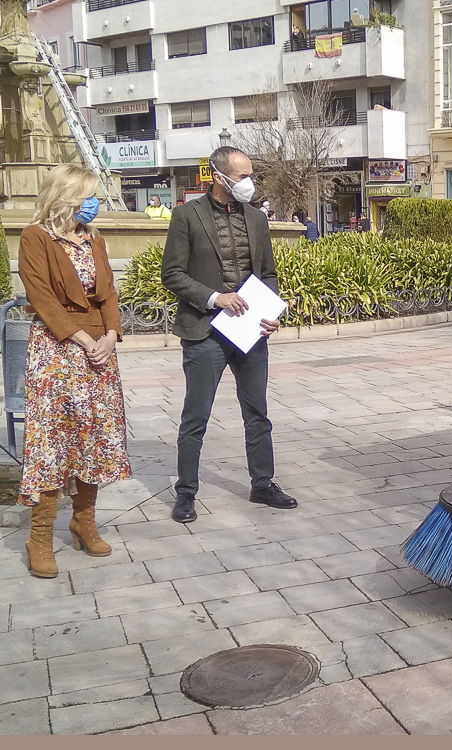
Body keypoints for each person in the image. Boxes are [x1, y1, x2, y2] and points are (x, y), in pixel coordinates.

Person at [161, 146, 297, 523]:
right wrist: (214, 297)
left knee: (257, 414)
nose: (248, 183)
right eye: (242, 176)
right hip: (205, 331)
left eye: (250, 175)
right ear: (218, 177)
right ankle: (186, 492)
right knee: (196, 417)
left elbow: (267, 273)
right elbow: (172, 274)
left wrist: (271, 313)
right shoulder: (186, 216)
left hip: (250, 330)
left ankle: (262, 484)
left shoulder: (256, 218)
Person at [17, 164, 131, 578]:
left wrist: (112, 334)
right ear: (65, 196)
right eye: (87, 195)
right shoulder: (36, 238)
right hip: (57, 352)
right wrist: (83, 339)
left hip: (100, 353)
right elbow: (41, 297)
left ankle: (84, 521)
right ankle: (40, 537)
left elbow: (109, 293)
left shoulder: (93, 238)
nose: (94, 203)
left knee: (94, 437)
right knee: (52, 443)